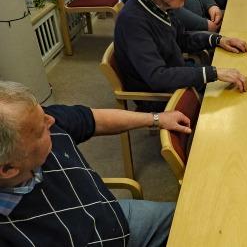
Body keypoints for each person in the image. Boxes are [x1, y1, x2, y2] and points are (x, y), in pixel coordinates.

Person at [0, 80, 191, 246]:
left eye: (44, 114)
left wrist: (156, 119)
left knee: (194, 218)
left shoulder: (39, 121)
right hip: (101, 231)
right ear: (8, 169)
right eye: (41, 130)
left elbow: (94, 119)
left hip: (112, 215)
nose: (51, 121)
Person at [114, 0, 247, 112]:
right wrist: (213, 73)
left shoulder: (159, 4)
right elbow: (158, 77)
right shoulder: (133, 22)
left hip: (177, 74)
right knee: (235, 105)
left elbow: (181, 38)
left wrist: (218, 40)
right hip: (161, 96)